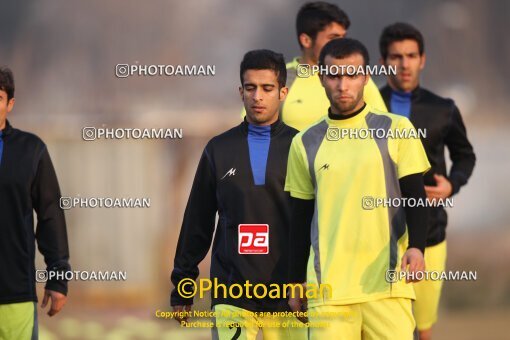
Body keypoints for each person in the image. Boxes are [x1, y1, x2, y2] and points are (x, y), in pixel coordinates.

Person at [285, 38, 431, 339]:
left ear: (365, 77)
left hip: (388, 285)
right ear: (321, 78)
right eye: (334, 75)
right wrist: (294, 280)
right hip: (328, 291)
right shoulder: (304, 142)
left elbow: (416, 197)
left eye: (352, 74)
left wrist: (417, 247)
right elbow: (299, 218)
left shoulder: (397, 129)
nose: (343, 85)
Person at [170, 50, 306, 340]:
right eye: (250, 87)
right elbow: (198, 219)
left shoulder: (302, 147)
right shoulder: (218, 149)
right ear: (240, 91)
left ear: (283, 92)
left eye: (267, 88)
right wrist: (183, 280)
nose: (258, 96)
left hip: (289, 292)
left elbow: (318, 222)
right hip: (231, 291)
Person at [378, 23, 476, 340]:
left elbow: (465, 156)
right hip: (378, 235)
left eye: (410, 55)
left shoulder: (443, 109)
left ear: (423, 59)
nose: (404, 64)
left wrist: (452, 184)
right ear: (383, 61)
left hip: (431, 233)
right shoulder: (369, 109)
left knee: (422, 330)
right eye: (396, 57)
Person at [0, 66, 70, 340]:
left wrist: (58, 277)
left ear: (10, 104)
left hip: (15, 293)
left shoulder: (31, 150)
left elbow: (51, 214)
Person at [242, 1, 388, 132]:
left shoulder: (355, 77)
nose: (341, 44)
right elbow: (250, 131)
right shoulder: (279, 77)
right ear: (306, 40)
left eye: (344, 37)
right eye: (333, 38)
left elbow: (384, 130)